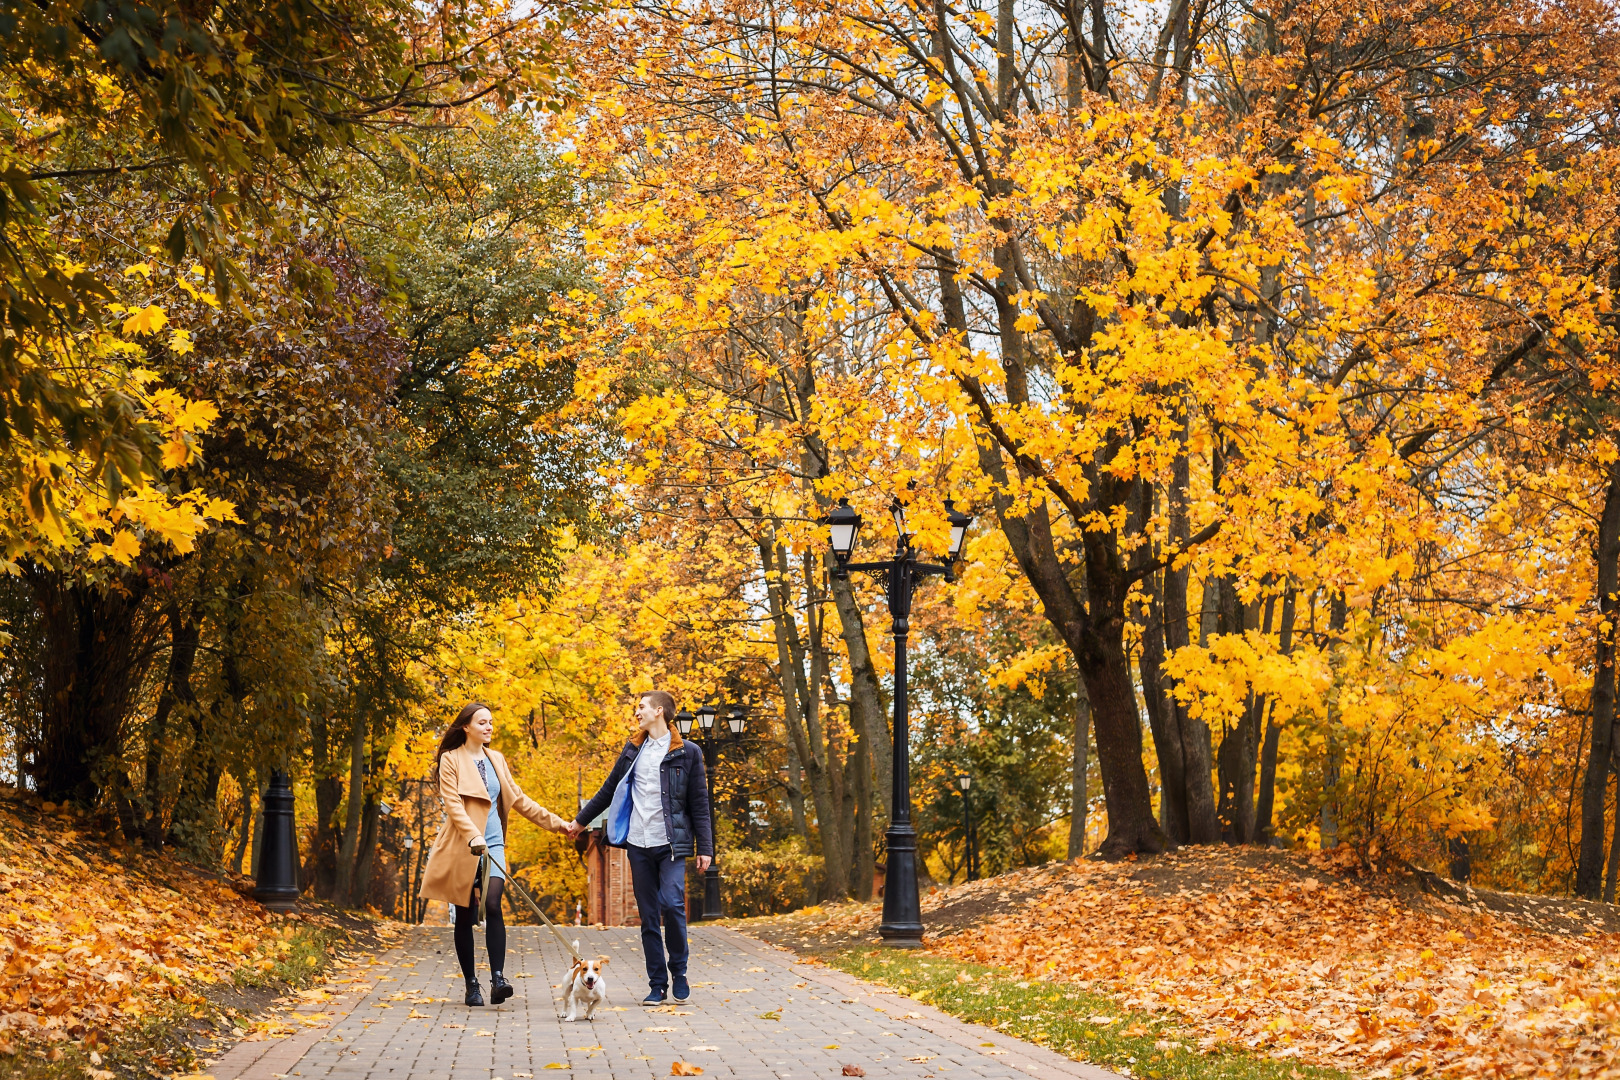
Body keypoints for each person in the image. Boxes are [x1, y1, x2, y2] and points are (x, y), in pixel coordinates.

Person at [419, 702, 572, 1006]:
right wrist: (473, 836)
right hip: (462, 843)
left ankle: (498, 979)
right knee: (464, 912)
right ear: (466, 727)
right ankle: (471, 984)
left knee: (493, 903)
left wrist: (560, 825)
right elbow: (453, 804)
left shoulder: (496, 759)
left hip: (493, 842)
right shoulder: (450, 760)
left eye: (491, 722)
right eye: (482, 722)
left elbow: (520, 800)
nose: (489, 727)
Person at [568, 690, 712, 1005]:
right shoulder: (634, 749)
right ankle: (657, 984)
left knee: (673, 905)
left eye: (642, 707)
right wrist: (580, 821)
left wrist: (706, 847)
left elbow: (699, 804)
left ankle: (680, 971)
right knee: (648, 916)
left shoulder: (688, 753)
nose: (637, 712)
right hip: (638, 843)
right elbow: (609, 789)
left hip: (671, 843)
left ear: (659, 711)